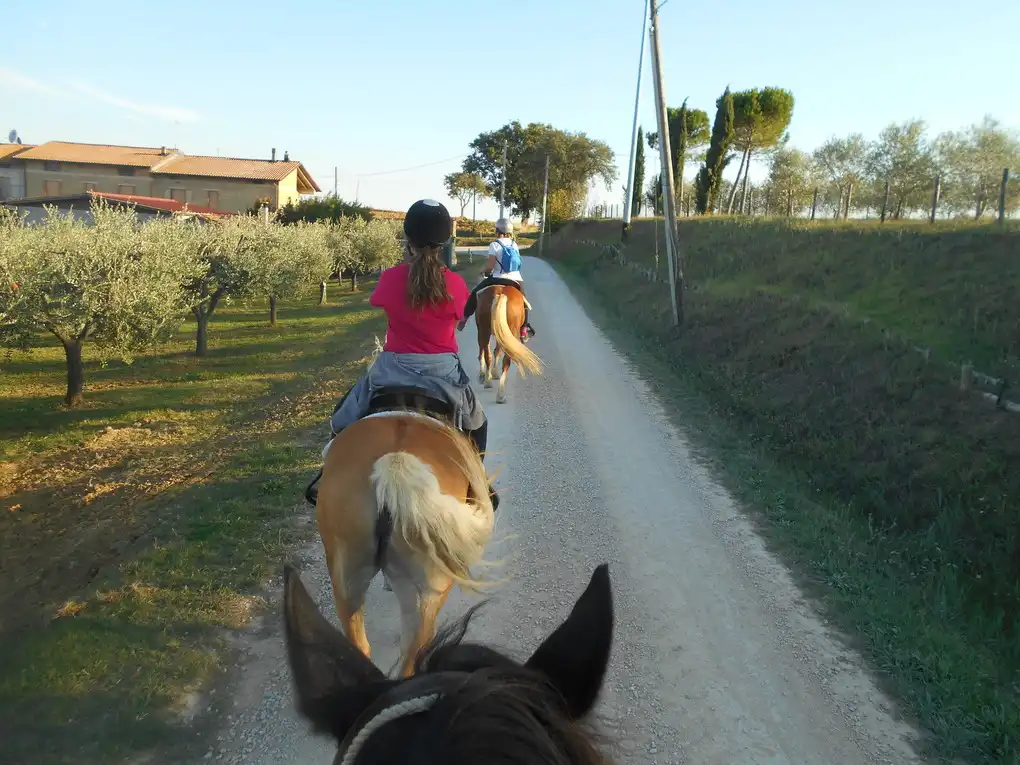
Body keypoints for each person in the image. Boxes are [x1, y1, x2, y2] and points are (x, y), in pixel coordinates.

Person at [305, 199, 498, 510]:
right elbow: (459, 315)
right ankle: (479, 489)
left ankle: (327, 475)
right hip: (444, 374)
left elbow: (380, 303)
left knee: (342, 418)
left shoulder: (390, 278)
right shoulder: (457, 283)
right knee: (478, 424)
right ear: (445, 241)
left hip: (391, 368)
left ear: (408, 239)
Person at [456, 217, 535, 340]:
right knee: (524, 302)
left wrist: (485, 272)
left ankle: (464, 318)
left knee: (475, 293)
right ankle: (524, 329)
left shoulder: (494, 244)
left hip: (498, 277)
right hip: (515, 279)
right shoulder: (514, 244)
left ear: (497, 230)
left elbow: (491, 266)